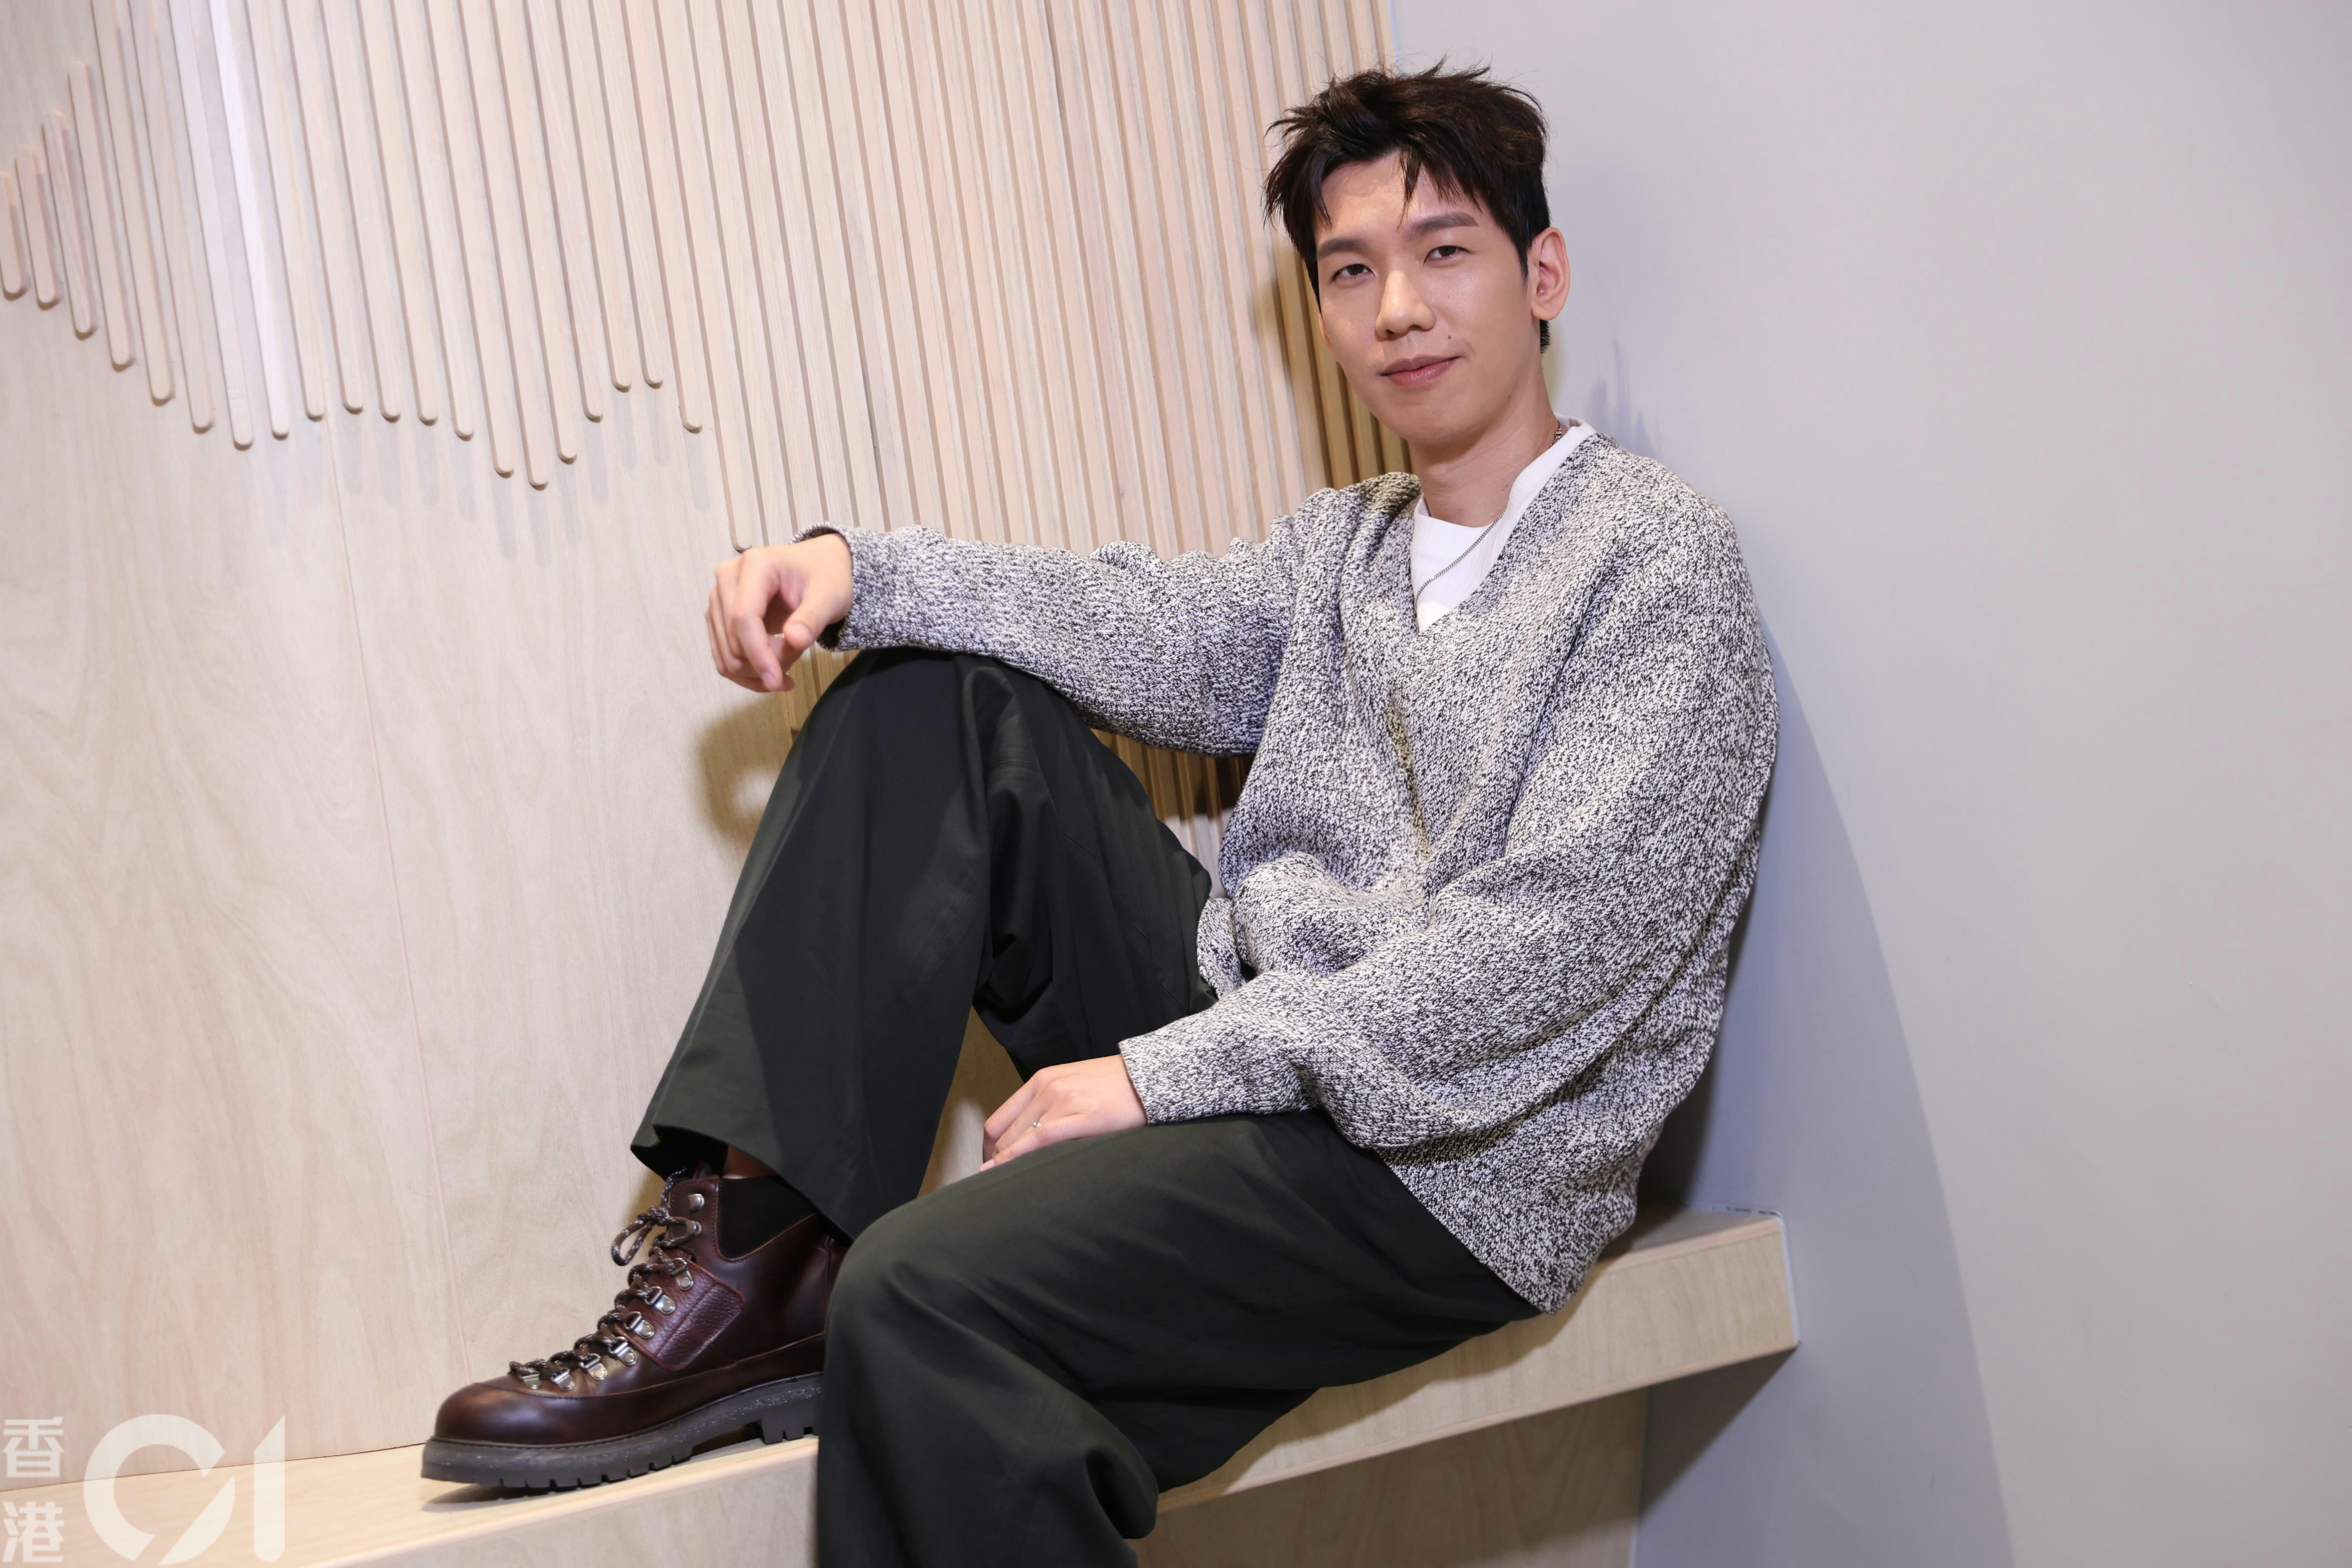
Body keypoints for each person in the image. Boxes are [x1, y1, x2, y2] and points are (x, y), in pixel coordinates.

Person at [419, 61, 1777, 1567]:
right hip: (1272, 1045)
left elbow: (1543, 963)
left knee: (925, 1297)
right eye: (1350, 272)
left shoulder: (1654, 563)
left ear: (1543, 274)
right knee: (927, 700)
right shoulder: (1349, 547)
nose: (1398, 308)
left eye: (1443, 251)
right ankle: (757, 1267)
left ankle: (846, 1302)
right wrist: (858, 570)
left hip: (1451, 1165)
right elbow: (1147, 626)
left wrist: (1157, 1075)